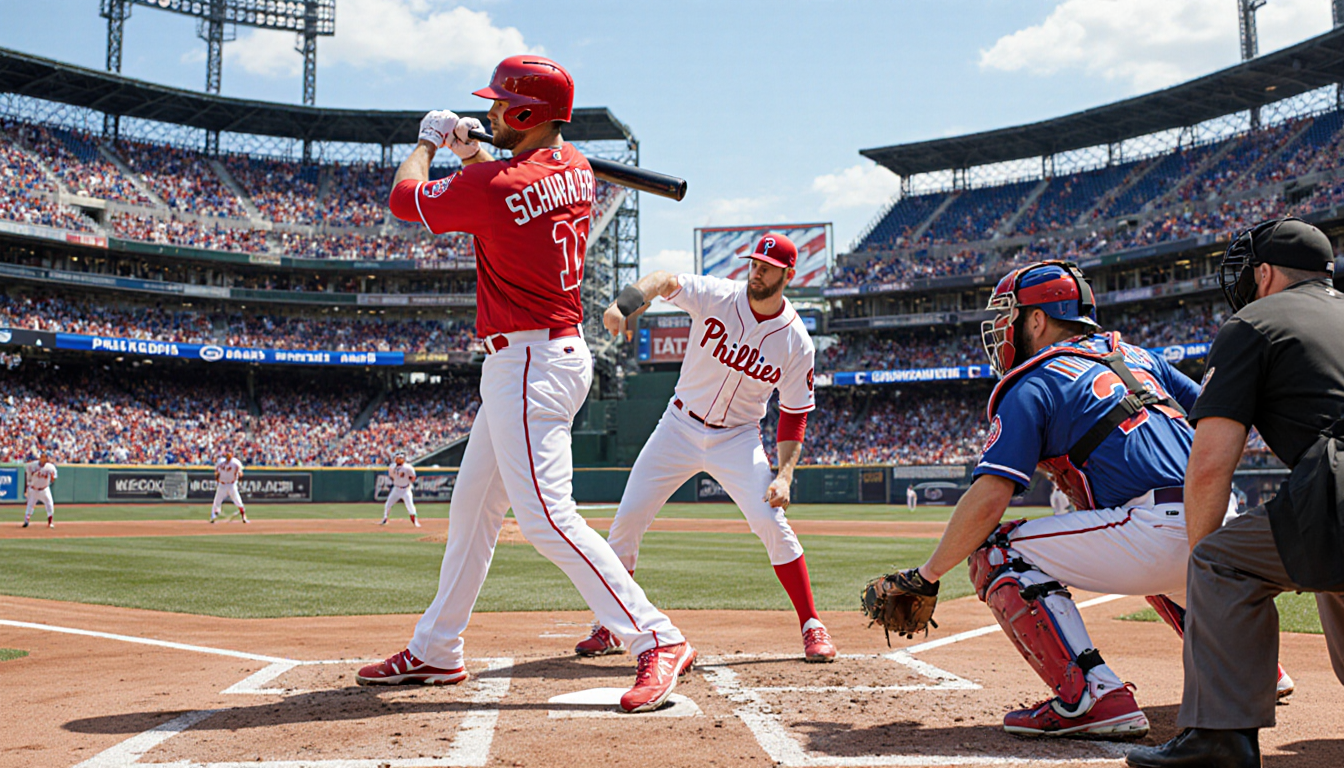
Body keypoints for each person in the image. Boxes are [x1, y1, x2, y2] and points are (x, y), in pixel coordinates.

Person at [362, 55, 694, 714]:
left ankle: (656, 636)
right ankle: (438, 646)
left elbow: (407, 198)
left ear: (522, 114)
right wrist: (473, 152)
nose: (489, 114)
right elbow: (517, 173)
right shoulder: (572, 169)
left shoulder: (490, 183)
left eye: (498, 107)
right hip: (543, 358)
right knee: (473, 513)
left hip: (528, 366)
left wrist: (430, 142)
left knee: (545, 518)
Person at [876, 260, 1289, 740]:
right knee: (1140, 542)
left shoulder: (1034, 379)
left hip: (1157, 530)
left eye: (1009, 319)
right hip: (1223, 520)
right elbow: (1221, 413)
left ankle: (1091, 697)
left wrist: (925, 577)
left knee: (997, 550)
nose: (1004, 332)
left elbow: (990, 498)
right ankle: (1249, 669)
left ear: (1035, 320)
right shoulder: (1139, 357)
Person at [1127, 218, 1344, 768]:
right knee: (1332, 571)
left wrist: (1200, 557)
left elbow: (1208, 466)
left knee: (1223, 563)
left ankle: (1220, 738)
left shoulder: (1254, 320)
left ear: (1266, 272)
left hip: (1338, 479)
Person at [577, 233, 835, 663]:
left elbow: (794, 413)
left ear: (788, 275)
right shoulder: (719, 296)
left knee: (771, 523)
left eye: (766, 267)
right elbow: (661, 279)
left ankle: (812, 623)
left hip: (737, 438)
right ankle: (610, 624)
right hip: (677, 425)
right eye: (754, 263)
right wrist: (623, 304)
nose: (756, 271)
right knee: (627, 522)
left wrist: (786, 474)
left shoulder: (796, 342)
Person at [382, 451, 419, 527]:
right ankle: (385, 518)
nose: (398, 460)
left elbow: (413, 477)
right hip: (396, 488)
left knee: (410, 505)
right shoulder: (392, 467)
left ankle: (415, 521)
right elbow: (392, 476)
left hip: (406, 489)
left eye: (400, 458)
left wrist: (408, 480)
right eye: (397, 458)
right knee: (388, 504)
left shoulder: (408, 467)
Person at [210, 450, 247, 524]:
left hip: (231, 485)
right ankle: (213, 516)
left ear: (232, 455)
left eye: (229, 455)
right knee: (217, 500)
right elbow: (216, 472)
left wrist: (239, 479)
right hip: (222, 484)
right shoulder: (221, 461)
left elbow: (240, 473)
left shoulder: (236, 463)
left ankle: (243, 516)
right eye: (227, 455)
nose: (228, 456)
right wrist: (217, 479)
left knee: (237, 500)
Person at [22, 453, 57, 528]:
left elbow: (53, 479)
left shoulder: (50, 467)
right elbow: (26, 474)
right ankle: (26, 521)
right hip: (33, 489)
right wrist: (25, 489)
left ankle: (50, 522)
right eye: (42, 457)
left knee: (49, 504)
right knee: (30, 505)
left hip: (44, 489)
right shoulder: (32, 465)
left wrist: (51, 476)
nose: (44, 459)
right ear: (40, 458)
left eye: (45, 458)